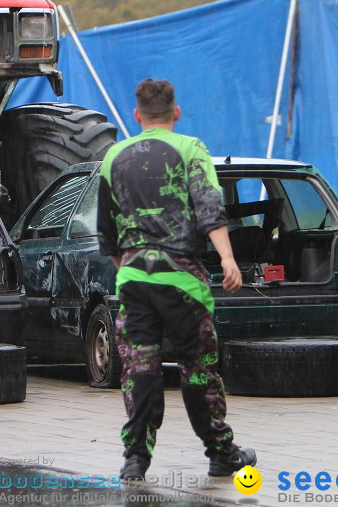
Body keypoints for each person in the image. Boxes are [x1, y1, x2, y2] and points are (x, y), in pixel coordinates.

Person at [96, 78, 256, 481]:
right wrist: (228, 258)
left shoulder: (113, 157)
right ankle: (220, 452)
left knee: (140, 369)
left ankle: (135, 458)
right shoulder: (191, 149)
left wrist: (129, 268)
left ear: (137, 116)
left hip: (133, 281)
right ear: (176, 113)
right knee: (198, 367)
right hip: (183, 282)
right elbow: (209, 209)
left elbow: (106, 233)